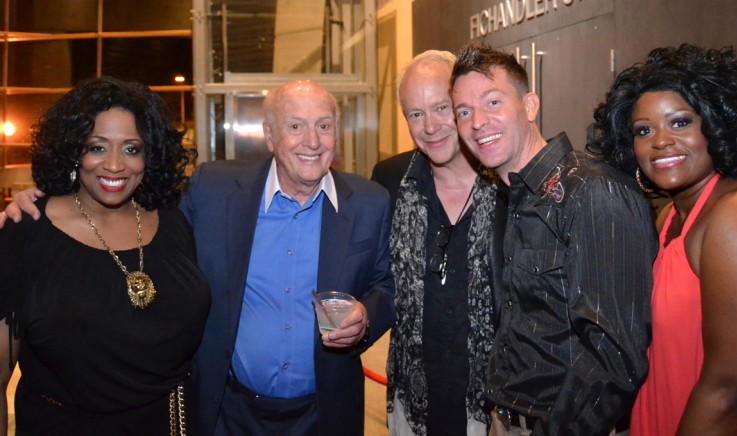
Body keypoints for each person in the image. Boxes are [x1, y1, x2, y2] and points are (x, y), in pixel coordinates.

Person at [1, 79, 396, 435]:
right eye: (295, 126)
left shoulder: (370, 202)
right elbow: (119, 192)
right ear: (270, 135)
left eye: (324, 125)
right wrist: (41, 197)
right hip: (226, 409)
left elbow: (388, 283)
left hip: (324, 412)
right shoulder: (213, 190)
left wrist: (366, 318)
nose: (312, 140)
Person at [450, 42, 658, 435]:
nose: (477, 122)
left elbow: (615, 355)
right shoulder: (514, 194)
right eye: (464, 111)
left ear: (529, 106)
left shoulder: (592, 191)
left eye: (492, 102)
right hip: (507, 418)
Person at [0, 77, 210, 434]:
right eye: (97, 147)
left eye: (131, 149)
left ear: (151, 154)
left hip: (169, 424)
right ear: (72, 150)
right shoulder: (26, 230)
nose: (114, 165)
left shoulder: (174, 220)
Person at [587, 43, 737, 435]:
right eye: (643, 130)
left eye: (680, 122)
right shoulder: (670, 216)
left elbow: (734, 388)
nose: (661, 141)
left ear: (716, 125)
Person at [371, 50, 505, 435]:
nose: (430, 126)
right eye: (415, 114)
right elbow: (378, 280)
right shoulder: (390, 180)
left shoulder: (507, 186)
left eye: (442, 108)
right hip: (412, 403)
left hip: (492, 407)